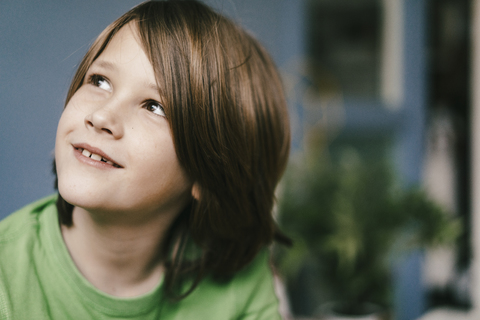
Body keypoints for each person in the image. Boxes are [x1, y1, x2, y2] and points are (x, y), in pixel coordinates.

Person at [0, 1, 290, 319]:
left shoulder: (241, 282)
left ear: (209, 174)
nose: (101, 116)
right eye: (99, 81)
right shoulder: (7, 278)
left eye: (154, 106)